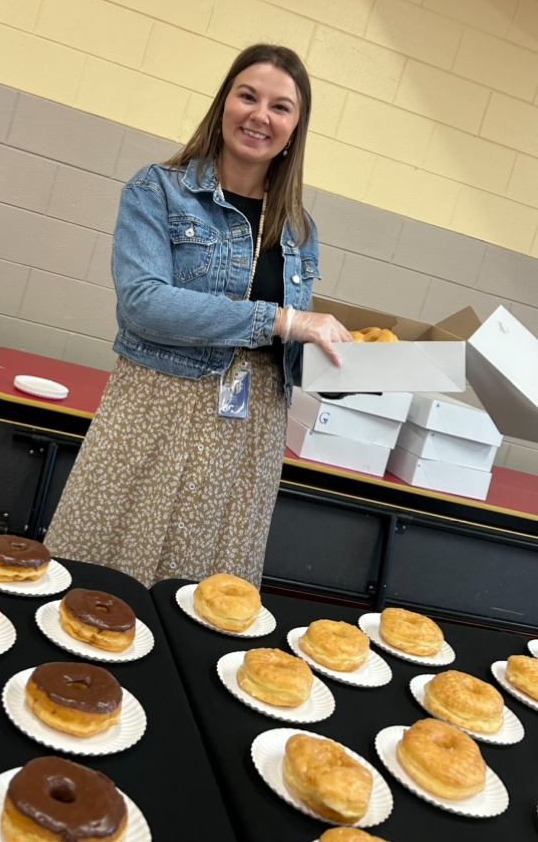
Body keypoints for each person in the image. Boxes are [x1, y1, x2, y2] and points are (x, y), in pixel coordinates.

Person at [44, 44, 352, 588]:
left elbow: (294, 358)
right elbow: (143, 304)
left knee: (202, 597)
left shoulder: (300, 229)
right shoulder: (157, 190)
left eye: (280, 107)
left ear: (295, 128)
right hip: (156, 410)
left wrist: (372, 370)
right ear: (223, 103)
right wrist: (282, 321)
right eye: (248, 96)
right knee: (105, 578)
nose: (260, 115)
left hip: (248, 434)